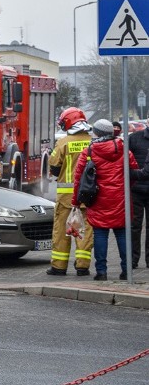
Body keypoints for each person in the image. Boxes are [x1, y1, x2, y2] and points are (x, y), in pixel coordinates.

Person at [72, 119, 138, 281]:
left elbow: (79, 179)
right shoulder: (124, 149)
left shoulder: (89, 152)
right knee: (122, 235)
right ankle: (126, 271)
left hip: (98, 200)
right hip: (121, 200)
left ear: (97, 133)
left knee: (100, 235)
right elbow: (134, 172)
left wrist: (76, 201)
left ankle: (101, 272)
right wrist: (124, 188)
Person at [47, 107, 93, 276]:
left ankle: (59, 267)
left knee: (61, 230)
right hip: (88, 195)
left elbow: (54, 166)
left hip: (67, 196)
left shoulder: (63, 143)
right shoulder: (93, 142)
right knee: (86, 229)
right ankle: (82, 266)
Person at [128, 121, 149, 268]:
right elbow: (124, 161)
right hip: (136, 190)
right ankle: (133, 259)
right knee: (134, 226)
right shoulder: (134, 138)